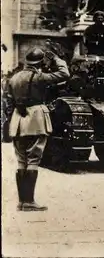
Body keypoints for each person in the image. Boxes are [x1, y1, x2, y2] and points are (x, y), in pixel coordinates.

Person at [7, 47, 70, 211]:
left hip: (17, 120)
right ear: (41, 62)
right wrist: (57, 59)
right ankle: (29, 202)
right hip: (35, 119)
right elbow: (64, 74)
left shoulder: (14, 78)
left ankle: (22, 201)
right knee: (33, 159)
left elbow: (10, 99)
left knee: (21, 160)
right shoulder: (40, 77)